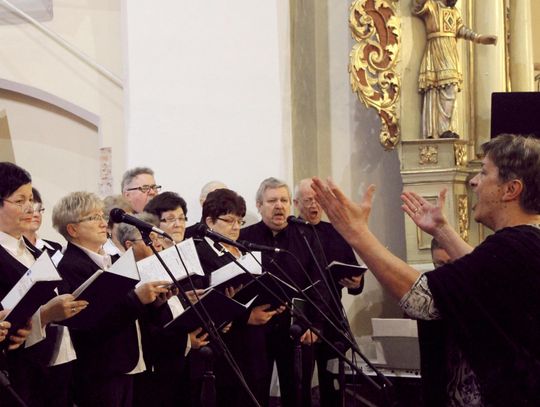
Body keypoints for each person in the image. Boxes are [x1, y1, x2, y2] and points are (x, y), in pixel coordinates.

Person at [312, 134, 540, 406]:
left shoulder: (515, 246)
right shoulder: (526, 243)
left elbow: (422, 298)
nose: (474, 181)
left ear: (510, 189)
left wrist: (357, 233)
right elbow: (482, 279)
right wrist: (442, 231)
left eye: (484, 172)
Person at [53, 191, 169, 407]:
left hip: (128, 361)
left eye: (101, 215)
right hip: (101, 370)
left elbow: (128, 310)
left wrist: (155, 302)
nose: (102, 222)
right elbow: (92, 321)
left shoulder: (111, 258)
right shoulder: (70, 267)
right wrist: (136, 298)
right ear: (72, 229)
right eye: (92, 217)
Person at [0, 162, 87, 407]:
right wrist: (45, 314)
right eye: (20, 200)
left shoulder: (34, 252)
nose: (30, 207)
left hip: (49, 365)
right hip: (15, 375)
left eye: (31, 199)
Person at [240, 177, 329, 407]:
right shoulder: (245, 238)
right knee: (255, 391)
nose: (279, 205)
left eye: (284, 200)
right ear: (259, 205)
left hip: (298, 325)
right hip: (258, 327)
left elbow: (320, 282)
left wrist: (316, 324)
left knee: (298, 393)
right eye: (271, 200)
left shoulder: (306, 235)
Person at [196, 188, 284, 407]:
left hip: (255, 343)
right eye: (229, 221)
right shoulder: (200, 252)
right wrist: (245, 316)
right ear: (209, 221)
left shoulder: (242, 249)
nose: (236, 228)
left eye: (239, 222)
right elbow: (204, 301)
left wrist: (274, 301)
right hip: (227, 347)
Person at [114, 213, 208, 407]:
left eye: (157, 237)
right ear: (129, 246)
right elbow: (143, 327)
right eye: (149, 239)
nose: (156, 243)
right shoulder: (126, 276)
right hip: (149, 366)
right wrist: (183, 340)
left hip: (172, 363)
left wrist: (173, 300)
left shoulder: (159, 267)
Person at [293, 178, 364, 406]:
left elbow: (354, 272)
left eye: (317, 200)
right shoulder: (291, 233)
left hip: (333, 320)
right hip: (302, 320)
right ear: (296, 203)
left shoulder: (335, 232)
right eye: (308, 200)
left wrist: (356, 283)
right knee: (300, 384)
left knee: (333, 382)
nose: (314, 205)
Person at [413, 0, 497, 139]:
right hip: (436, 49)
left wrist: (479, 38)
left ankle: (446, 128)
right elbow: (417, 6)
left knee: (450, 87)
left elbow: (460, 29)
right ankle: (440, 130)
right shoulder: (432, 6)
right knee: (439, 89)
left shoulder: (454, 11)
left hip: (450, 51)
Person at [23, 187, 63, 257]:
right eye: (30, 210)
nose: (37, 214)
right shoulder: (8, 251)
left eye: (39, 210)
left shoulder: (55, 248)